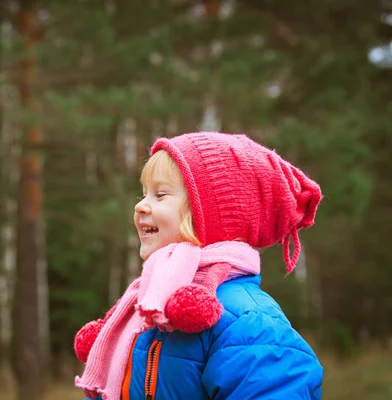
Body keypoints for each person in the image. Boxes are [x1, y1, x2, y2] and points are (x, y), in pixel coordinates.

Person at [73, 132, 323, 399]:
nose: (140, 206)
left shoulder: (249, 320)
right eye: (143, 193)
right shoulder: (150, 306)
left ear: (210, 217)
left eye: (160, 195)